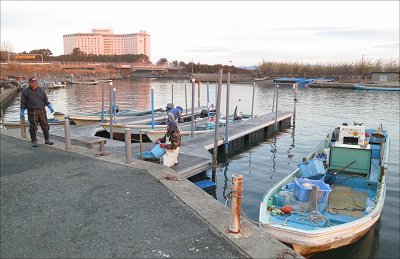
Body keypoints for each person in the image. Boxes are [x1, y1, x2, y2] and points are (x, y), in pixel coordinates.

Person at [20, 76, 55, 147]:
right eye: (33, 82)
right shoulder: (25, 91)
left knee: (45, 125)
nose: (35, 83)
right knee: (33, 127)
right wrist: (22, 111)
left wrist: (49, 106)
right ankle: (34, 140)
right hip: (32, 111)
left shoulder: (41, 90)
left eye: (36, 82)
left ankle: (47, 139)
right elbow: (23, 102)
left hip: (42, 110)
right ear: (29, 83)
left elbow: (45, 100)